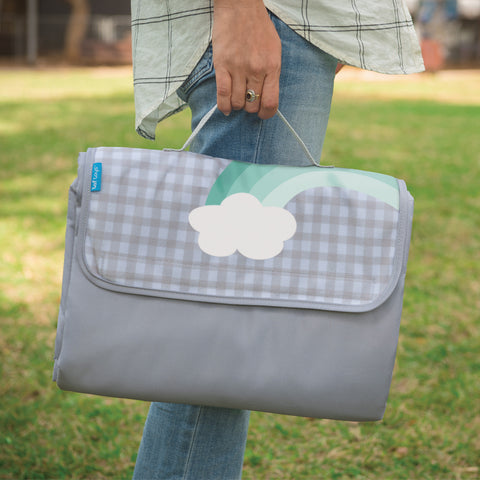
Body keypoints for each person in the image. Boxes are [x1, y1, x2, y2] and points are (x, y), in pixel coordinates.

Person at [130, 1, 424, 479]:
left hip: (286, 24)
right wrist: (240, 12)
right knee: (216, 350)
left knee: (219, 344)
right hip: (267, 18)